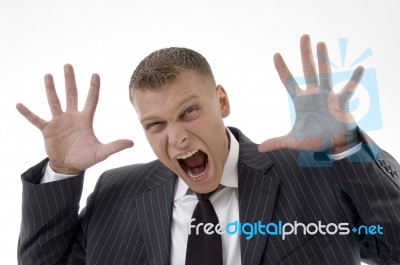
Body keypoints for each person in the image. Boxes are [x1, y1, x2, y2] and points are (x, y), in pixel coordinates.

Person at [16, 35, 400, 265]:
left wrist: (345, 149)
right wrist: (62, 171)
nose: (178, 138)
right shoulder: (116, 192)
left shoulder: (309, 171)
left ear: (222, 101)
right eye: (157, 125)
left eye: (189, 112)